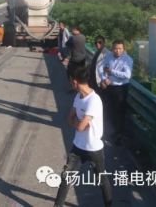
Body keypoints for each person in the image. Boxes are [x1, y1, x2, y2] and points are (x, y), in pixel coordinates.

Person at [54, 66, 112, 207]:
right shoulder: (78, 97)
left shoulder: (94, 100)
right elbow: (71, 119)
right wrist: (79, 124)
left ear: (74, 82)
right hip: (77, 146)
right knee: (66, 177)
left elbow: (79, 125)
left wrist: (79, 124)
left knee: (101, 179)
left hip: (93, 149)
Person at [99, 39, 133, 145]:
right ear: (112, 48)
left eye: (120, 49)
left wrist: (111, 72)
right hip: (109, 87)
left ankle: (119, 136)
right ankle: (110, 133)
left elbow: (127, 75)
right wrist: (104, 79)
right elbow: (101, 68)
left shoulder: (127, 60)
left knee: (119, 113)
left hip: (120, 89)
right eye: (115, 48)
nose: (117, 51)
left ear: (123, 49)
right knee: (108, 111)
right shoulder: (108, 56)